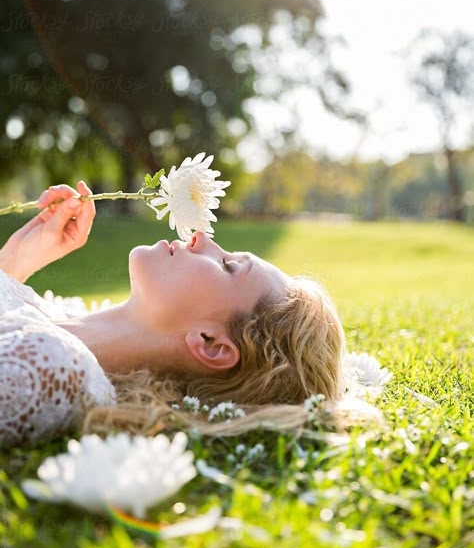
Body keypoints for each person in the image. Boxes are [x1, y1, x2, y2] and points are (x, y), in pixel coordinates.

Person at [0, 182, 382, 449]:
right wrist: (16, 262)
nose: (202, 238)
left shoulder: (50, 368)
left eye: (229, 265)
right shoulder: (57, 322)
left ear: (212, 344)